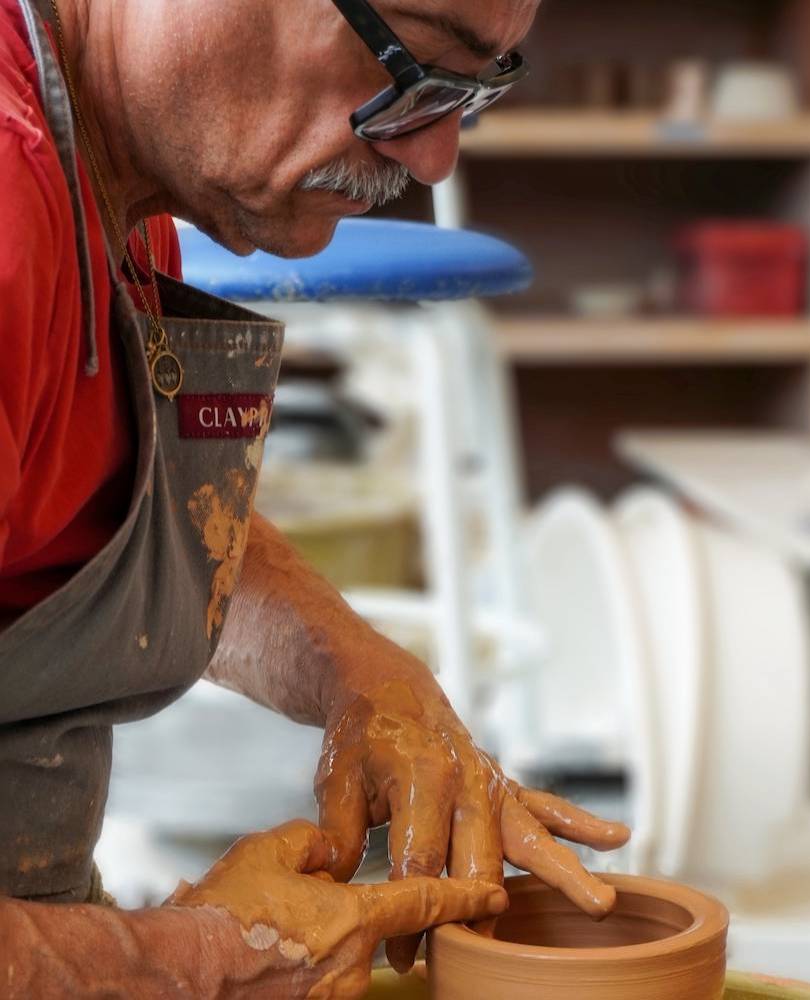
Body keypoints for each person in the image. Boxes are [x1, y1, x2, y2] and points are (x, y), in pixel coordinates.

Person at [0, 0, 631, 996]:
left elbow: (74, 500)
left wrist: (367, 677)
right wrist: (199, 957)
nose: (433, 158)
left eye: (474, 90)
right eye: (415, 67)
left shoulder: (112, 171)